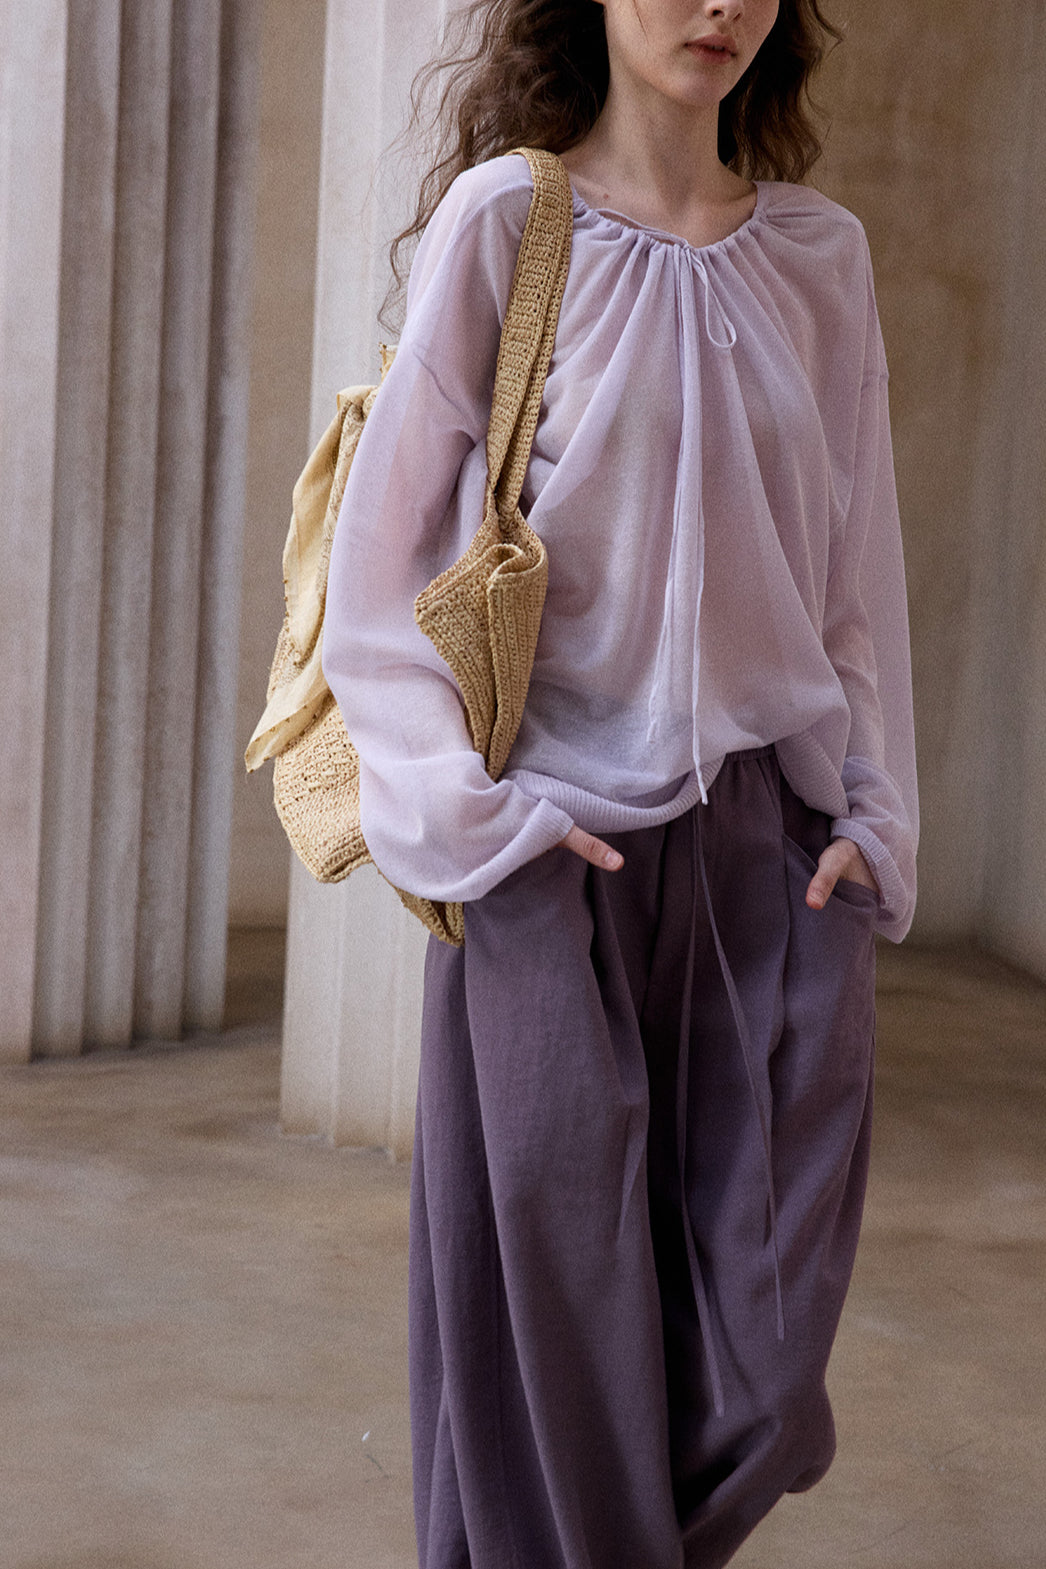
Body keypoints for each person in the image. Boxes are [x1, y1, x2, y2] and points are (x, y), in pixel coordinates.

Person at [322, 0, 919, 1563]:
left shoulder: (819, 257)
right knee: (555, 1365)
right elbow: (377, 580)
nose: (717, 4)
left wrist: (868, 812)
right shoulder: (507, 223)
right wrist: (474, 821)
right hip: (549, 849)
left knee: (767, 1381)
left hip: (774, 854)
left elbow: (849, 578)